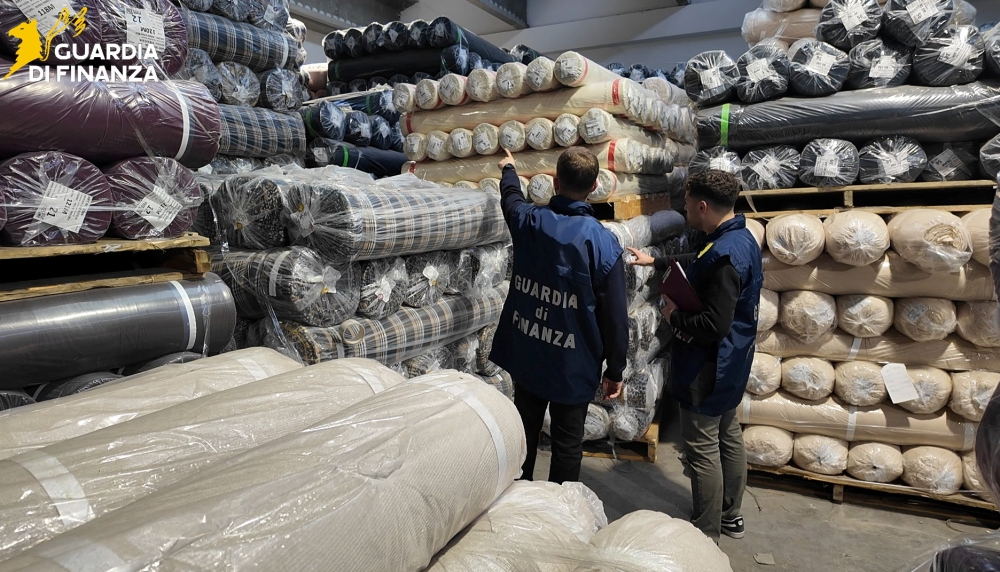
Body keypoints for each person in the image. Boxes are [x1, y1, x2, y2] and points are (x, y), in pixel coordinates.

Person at [628, 170, 763, 543]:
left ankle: (706, 534)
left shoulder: (724, 257)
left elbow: (713, 324)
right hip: (732, 360)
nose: (684, 209)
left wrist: (673, 316)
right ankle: (731, 515)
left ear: (702, 206)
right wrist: (655, 263)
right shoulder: (737, 238)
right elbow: (700, 258)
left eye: (687, 204)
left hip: (710, 364)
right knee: (727, 433)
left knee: (703, 448)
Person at [490, 147, 629, 485]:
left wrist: (509, 169)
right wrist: (615, 369)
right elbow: (615, 317)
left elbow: (511, 199)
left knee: (524, 432)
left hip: (530, 350)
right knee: (567, 445)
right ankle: (560, 512)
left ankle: (516, 498)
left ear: (554, 181)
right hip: (573, 362)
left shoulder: (530, 222)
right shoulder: (602, 244)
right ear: (595, 186)